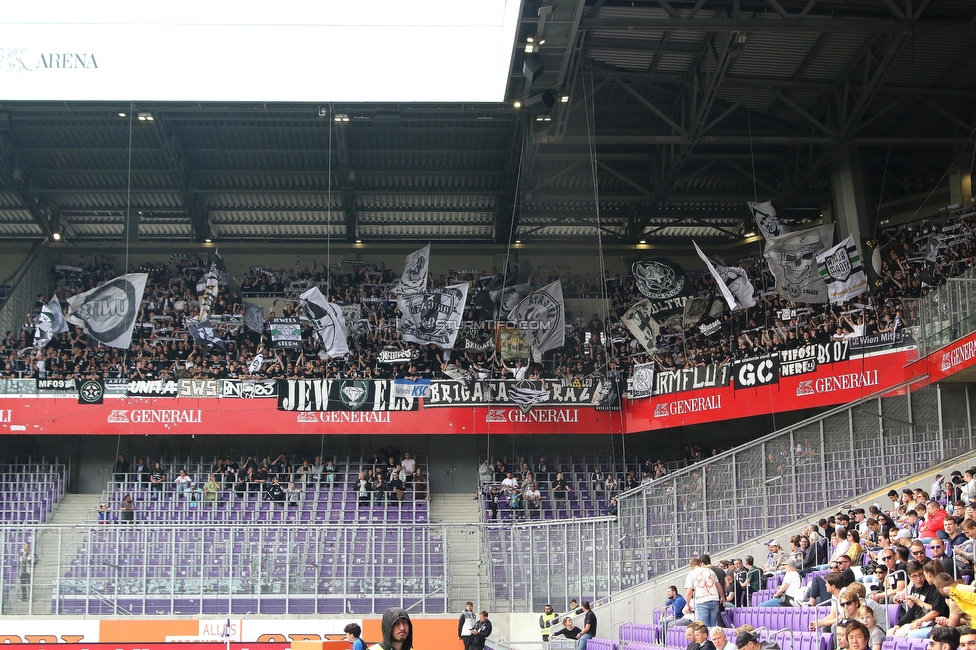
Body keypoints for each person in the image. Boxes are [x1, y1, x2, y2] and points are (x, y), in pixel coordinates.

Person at [685, 556, 721, 627]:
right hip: (714, 598)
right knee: (713, 624)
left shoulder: (691, 574)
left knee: (704, 626)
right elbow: (718, 585)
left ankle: (707, 637)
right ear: (700, 563)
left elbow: (689, 591)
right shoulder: (710, 571)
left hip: (702, 600)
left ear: (691, 566)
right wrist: (722, 597)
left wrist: (687, 604)